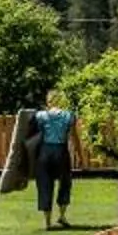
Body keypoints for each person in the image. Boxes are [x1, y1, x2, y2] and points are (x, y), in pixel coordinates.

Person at [34, 89, 77, 226]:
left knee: (45, 184)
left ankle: (47, 222)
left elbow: (33, 135)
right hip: (61, 151)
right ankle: (62, 216)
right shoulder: (68, 116)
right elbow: (74, 137)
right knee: (65, 183)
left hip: (45, 152)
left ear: (48, 101)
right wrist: (79, 155)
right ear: (62, 101)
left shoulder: (40, 116)